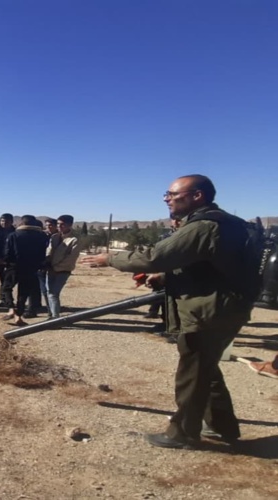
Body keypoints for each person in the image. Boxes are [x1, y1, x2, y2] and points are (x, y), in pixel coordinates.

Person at [82, 174, 254, 449]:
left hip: (208, 312)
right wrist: (164, 278)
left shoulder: (203, 225)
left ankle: (182, 434)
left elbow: (155, 257)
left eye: (173, 194)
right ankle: (223, 427)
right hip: (224, 309)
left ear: (197, 196)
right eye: (167, 194)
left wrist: (110, 258)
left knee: (193, 373)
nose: (167, 199)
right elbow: (208, 266)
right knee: (205, 368)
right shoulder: (228, 223)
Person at [2, 215, 48, 326]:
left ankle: (11, 308)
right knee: (23, 293)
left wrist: (5, 262)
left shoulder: (13, 235)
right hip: (31, 268)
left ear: (22, 223)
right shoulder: (42, 236)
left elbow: (8, 252)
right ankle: (19, 316)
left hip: (14, 266)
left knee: (6, 288)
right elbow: (44, 253)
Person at [41, 215, 80, 318]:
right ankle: (53, 315)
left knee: (54, 293)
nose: (59, 226)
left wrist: (56, 267)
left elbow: (71, 258)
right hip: (50, 269)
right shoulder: (54, 237)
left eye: (62, 224)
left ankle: (55, 317)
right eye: (58, 224)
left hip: (63, 270)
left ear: (70, 225)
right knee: (50, 292)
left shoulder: (74, 240)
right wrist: (47, 261)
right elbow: (49, 250)